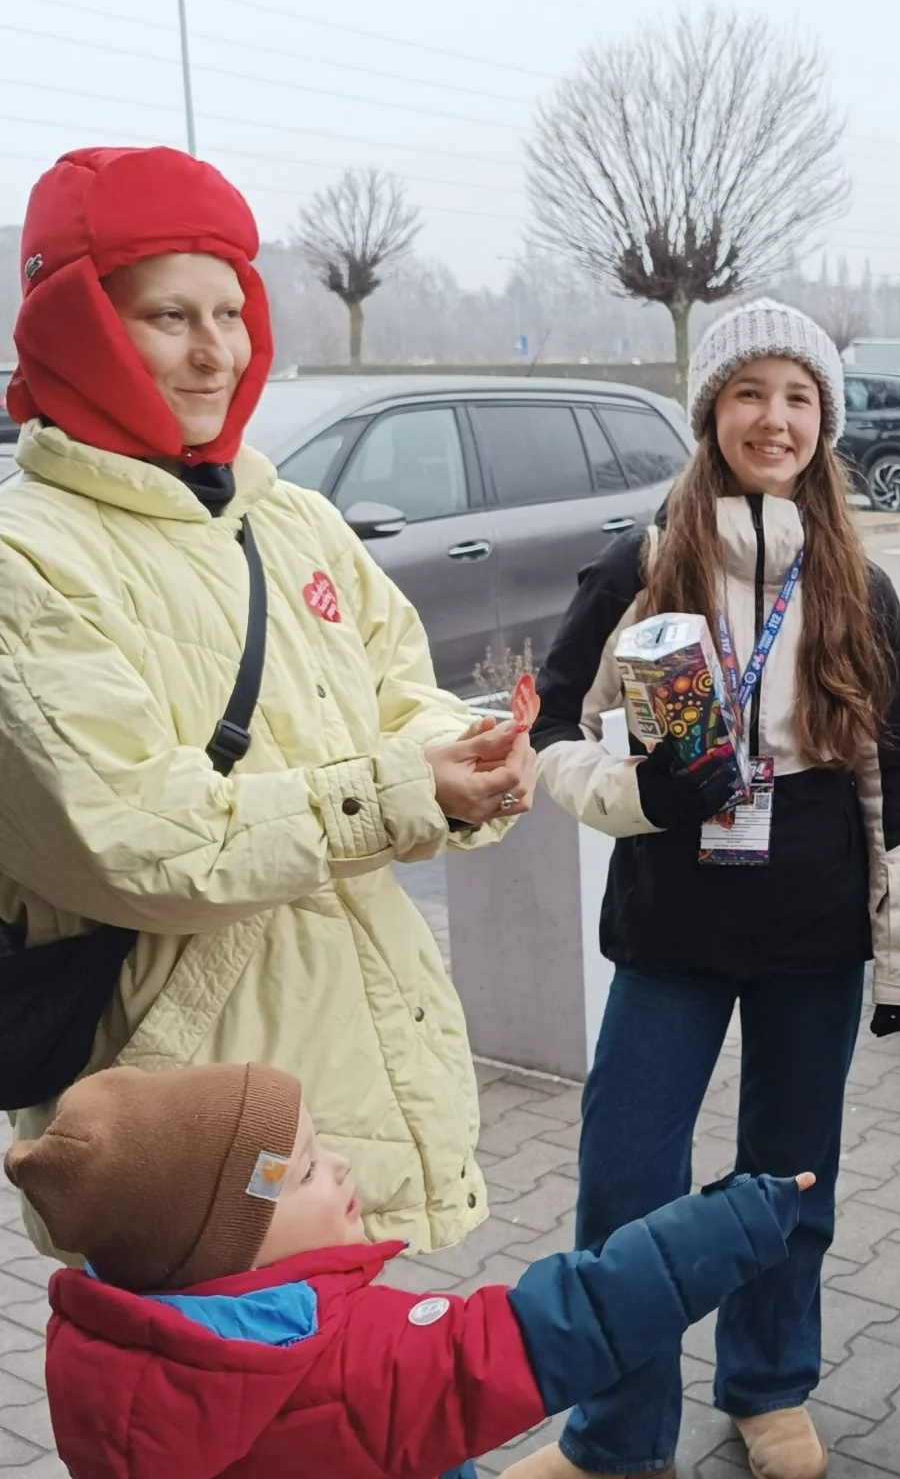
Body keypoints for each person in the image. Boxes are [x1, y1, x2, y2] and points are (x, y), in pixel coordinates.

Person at [0, 147, 533, 1261]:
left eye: (231, 311)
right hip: (186, 1142)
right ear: (78, 326)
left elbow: (397, 689)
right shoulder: (25, 560)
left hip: (354, 1081)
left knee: (394, 1413)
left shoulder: (285, 517)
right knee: (234, 1420)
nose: (213, 351)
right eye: (168, 316)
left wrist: (465, 756)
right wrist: (398, 789)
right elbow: (143, 841)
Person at [520, 299, 900, 1479]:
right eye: (750, 392)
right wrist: (633, 793)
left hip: (812, 922)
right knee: (629, 1177)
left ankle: (767, 1385)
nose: (775, 417)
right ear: (711, 414)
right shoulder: (645, 561)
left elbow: (897, 777)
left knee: (790, 1174)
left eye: (798, 396)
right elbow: (550, 721)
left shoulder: (861, 584)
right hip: (674, 913)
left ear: (825, 422)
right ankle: (616, 1431)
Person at [5, 1061, 812, 1479]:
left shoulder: (104, 1356)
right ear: (228, 1238)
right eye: (312, 1168)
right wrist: (731, 1222)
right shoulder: (351, 1359)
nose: (345, 1168)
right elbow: (566, 1320)